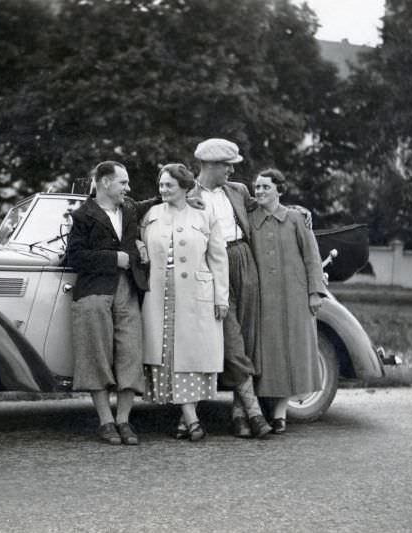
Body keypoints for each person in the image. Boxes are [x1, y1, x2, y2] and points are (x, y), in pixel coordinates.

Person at [189, 138, 272, 438]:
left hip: (243, 259)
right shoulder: (188, 194)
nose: (231, 171)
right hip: (211, 267)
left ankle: (239, 415)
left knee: (247, 338)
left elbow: (265, 208)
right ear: (210, 165)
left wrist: (299, 211)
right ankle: (254, 412)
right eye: (227, 166)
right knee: (231, 339)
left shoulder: (237, 190)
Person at [140, 163, 229, 441]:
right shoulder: (152, 214)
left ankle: (188, 419)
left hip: (195, 295)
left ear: (184, 187)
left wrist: (221, 297)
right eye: (161, 185)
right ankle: (189, 419)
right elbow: (138, 242)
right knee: (167, 354)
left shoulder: (204, 215)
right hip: (159, 294)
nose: (163, 190)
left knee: (191, 356)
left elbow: (218, 258)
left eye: (169, 185)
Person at [66, 161, 147, 445]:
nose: (128, 188)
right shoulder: (83, 215)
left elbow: (159, 199)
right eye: (123, 183)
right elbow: (73, 257)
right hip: (94, 292)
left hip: (126, 289)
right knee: (95, 354)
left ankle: (124, 421)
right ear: (104, 183)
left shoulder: (130, 209)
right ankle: (106, 422)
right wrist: (113, 259)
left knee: (130, 352)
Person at [249, 168, 327, 434]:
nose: (259, 192)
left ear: (279, 190)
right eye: (257, 187)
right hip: (262, 300)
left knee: (290, 353)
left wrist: (315, 292)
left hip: (294, 297)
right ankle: (257, 411)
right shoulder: (249, 220)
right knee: (267, 354)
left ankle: (280, 414)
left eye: (265, 187)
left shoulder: (295, 219)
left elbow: (312, 258)